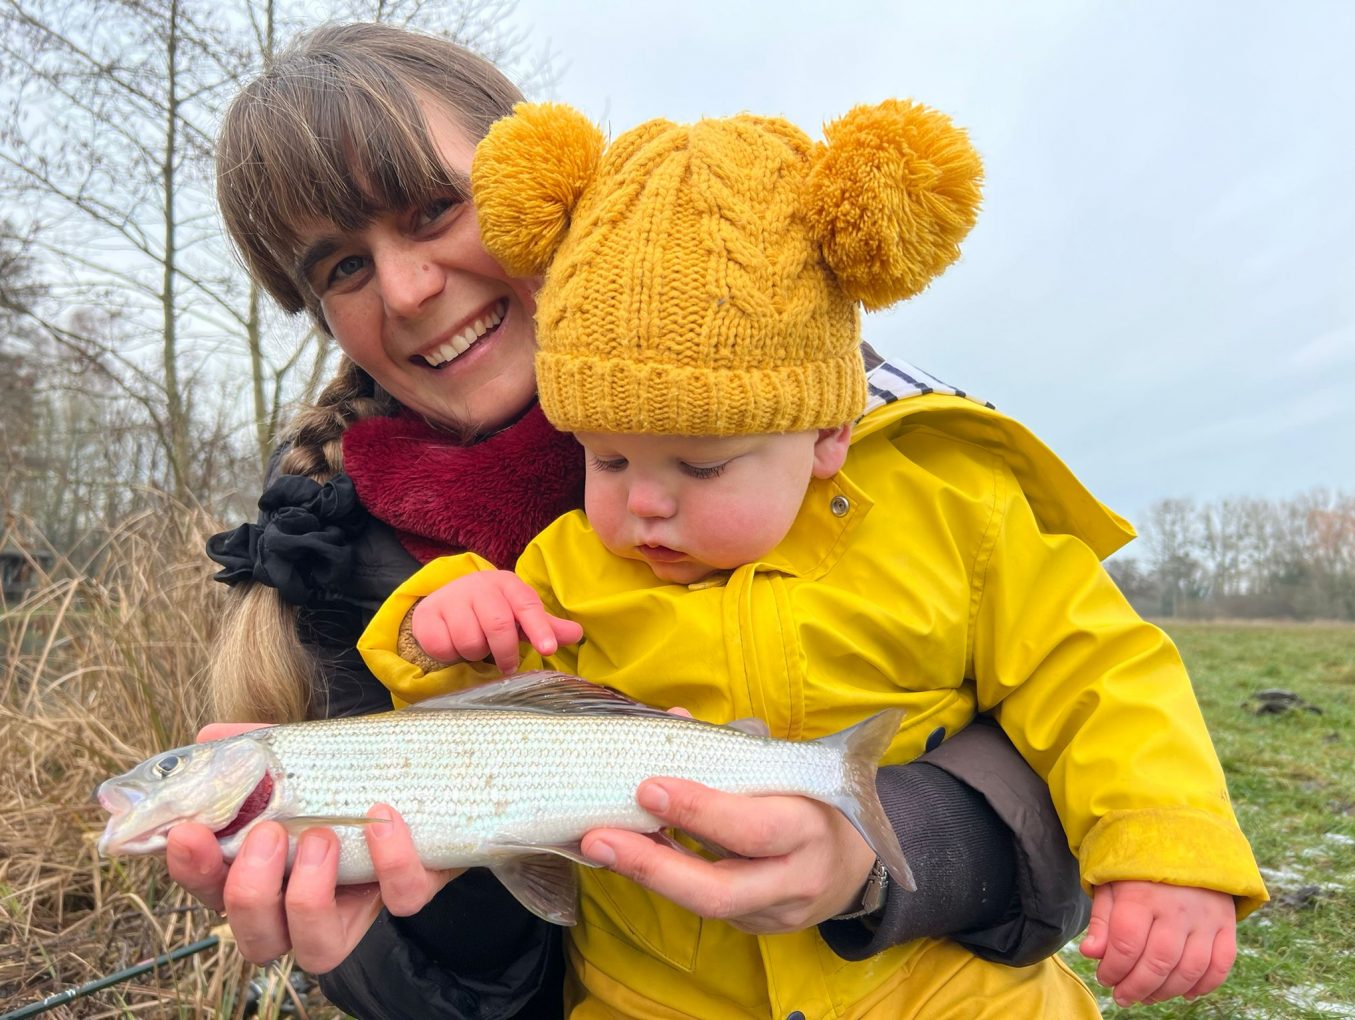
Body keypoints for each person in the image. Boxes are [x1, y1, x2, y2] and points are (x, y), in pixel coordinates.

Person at [168, 22, 1117, 1020]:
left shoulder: (841, 426)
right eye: (340, 269)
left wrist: (879, 855)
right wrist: (407, 948)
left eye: (437, 209)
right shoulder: (334, 583)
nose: (405, 290)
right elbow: (500, 989)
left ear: (550, 193)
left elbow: (1099, 727)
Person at [357, 100, 1268, 1018]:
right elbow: (487, 733)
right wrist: (442, 628)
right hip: (657, 997)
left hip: (941, 990)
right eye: (606, 457)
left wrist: (1166, 847)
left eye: (702, 463)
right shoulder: (569, 565)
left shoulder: (953, 521)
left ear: (830, 430)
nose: (642, 503)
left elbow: (1100, 672)